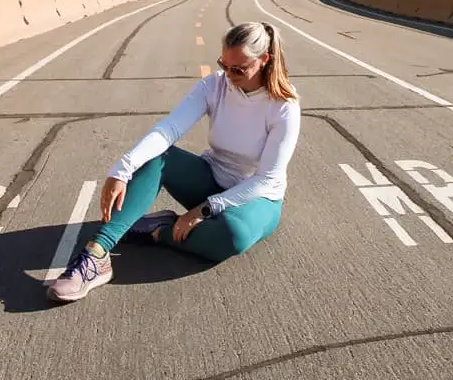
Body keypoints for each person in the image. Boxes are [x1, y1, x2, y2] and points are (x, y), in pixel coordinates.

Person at [47, 22, 300, 303]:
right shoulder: (215, 85)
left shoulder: (284, 107)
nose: (228, 75)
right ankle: (97, 254)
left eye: (238, 69)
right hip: (211, 179)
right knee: (161, 158)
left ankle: (161, 232)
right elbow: (168, 130)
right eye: (223, 64)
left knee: (234, 236)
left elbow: (267, 179)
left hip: (256, 198)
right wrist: (122, 169)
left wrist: (203, 210)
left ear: (264, 60)